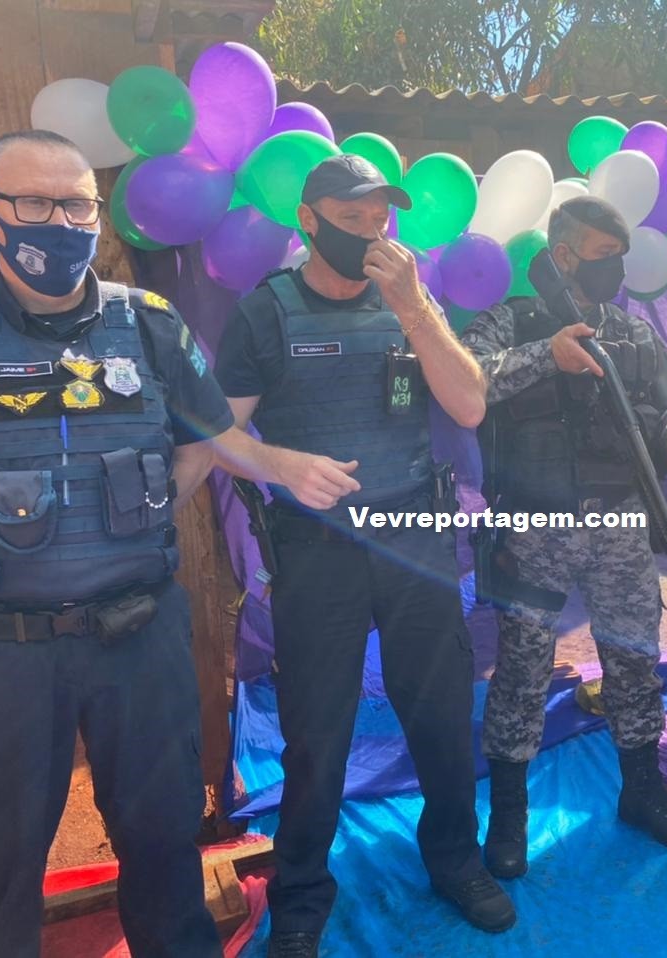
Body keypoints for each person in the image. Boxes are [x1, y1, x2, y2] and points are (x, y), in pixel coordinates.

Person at [0, 130, 233, 957]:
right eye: (33, 203)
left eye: (77, 206)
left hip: (139, 635)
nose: (59, 223)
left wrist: (136, 516)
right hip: (2, 650)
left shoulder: (150, 325)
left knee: (165, 841)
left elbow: (201, 440)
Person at [212, 155, 513, 958]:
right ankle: (301, 893)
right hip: (318, 552)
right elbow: (213, 429)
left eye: (381, 218)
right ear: (309, 221)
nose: (372, 233)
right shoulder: (266, 313)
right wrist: (279, 464)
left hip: (414, 538)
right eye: (352, 219)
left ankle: (456, 860)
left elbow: (469, 403)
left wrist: (414, 308)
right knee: (316, 733)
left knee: (442, 715)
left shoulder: (410, 300)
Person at [459, 196, 667, 877]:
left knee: (634, 658)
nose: (615, 270)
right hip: (534, 524)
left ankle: (642, 790)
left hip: (618, 523)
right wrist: (547, 355)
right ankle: (509, 816)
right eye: (603, 256)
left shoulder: (631, 332)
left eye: (619, 257)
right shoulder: (511, 319)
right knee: (522, 670)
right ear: (564, 255)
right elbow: (465, 382)